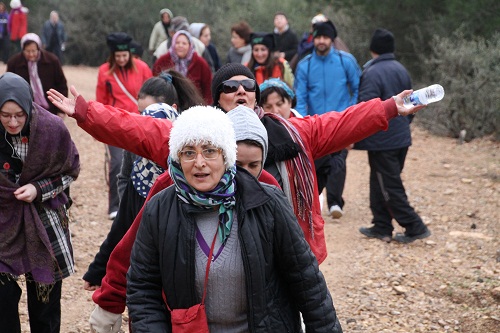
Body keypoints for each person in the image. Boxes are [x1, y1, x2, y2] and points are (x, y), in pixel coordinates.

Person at [47, 62, 426, 331]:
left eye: (248, 85)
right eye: (230, 86)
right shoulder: (196, 142)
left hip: (278, 249)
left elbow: (343, 122)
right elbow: (134, 128)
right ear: (217, 99)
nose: (241, 90)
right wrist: (85, 111)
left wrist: (390, 107)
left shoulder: (293, 134)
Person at [126, 105, 342, 332]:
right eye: (188, 152)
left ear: (226, 155)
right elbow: (142, 288)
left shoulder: (267, 203)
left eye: (210, 151)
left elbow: (307, 282)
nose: (199, 162)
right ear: (178, 159)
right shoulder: (159, 210)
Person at [82, 71, 204, 291]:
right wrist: (99, 270)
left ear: (173, 110)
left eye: (151, 120)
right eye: (140, 115)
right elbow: (122, 226)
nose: (144, 125)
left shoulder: (193, 161)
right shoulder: (138, 167)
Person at [0, 72, 79, 333]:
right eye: (5, 115)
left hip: (45, 220)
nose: (12, 122)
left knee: (44, 299)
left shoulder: (51, 129)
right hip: (3, 221)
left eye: (19, 115)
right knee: (2, 297)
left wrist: (39, 188)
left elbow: (70, 170)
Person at [356, 28, 431, 243]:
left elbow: (367, 107)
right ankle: (381, 226)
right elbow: (413, 102)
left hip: (383, 138)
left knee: (389, 185)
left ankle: (415, 226)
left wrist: (359, 135)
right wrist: (405, 125)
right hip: (400, 138)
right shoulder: (401, 69)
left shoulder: (372, 72)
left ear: (372, 49)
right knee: (380, 180)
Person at [294, 20, 361, 219]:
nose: (321, 41)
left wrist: (351, 114)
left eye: (325, 37)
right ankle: (314, 201)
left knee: (338, 160)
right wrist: (301, 122)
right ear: (314, 40)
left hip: (341, 121)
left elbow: (357, 88)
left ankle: (335, 202)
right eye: (318, 38)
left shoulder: (345, 61)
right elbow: (301, 95)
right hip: (315, 124)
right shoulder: (305, 65)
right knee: (317, 163)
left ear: (332, 40)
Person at [96, 32, 152, 220]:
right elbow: (101, 100)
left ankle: (141, 204)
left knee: (141, 163)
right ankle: (115, 206)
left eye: (124, 56)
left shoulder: (143, 68)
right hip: (115, 124)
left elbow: (151, 94)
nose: (121, 59)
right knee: (118, 164)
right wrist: (99, 126)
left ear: (130, 54)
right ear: (112, 56)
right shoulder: (104, 71)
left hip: (139, 122)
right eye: (117, 56)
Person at [6, 33, 68, 117]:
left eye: (33, 51)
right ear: (22, 49)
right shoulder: (14, 63)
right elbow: (8, 87)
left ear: (39, 48)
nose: (31, 54)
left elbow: (61, 84)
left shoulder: (52, 60)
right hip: (24, 110)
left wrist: (61, 109)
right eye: (27, 51)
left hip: (50, 109)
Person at [153, 30, 212, 104]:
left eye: (184, 43)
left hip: (194, 105)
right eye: (177, 43)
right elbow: (154, 82)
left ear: (190, 45)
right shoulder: (162, 61)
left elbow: (207, 89)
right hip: (167, 103)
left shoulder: (200, 63)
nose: (180, 45)